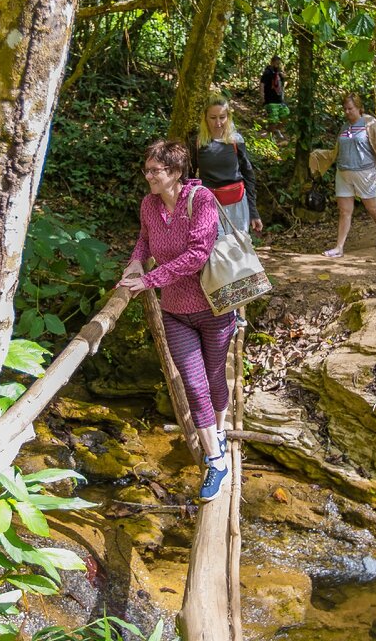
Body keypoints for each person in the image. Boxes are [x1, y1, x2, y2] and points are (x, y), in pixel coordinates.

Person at [120, 140, 236, 502]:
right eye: (147, 169)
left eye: (155, 170)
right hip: (175, 313)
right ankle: (216, 461)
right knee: (193, 384)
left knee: (216, 379)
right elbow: (144, 240)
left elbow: (198, 255)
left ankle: (219, 430)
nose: (148, 176)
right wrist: (137, 261)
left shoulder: (200, 200)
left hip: (215, 308)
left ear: (174, 172)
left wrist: (150, 280)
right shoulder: (149, 205)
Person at [323, 93, 376, 258]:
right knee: (344, 211)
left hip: (364, 172)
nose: (347, 112)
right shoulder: (344, 127)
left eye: (350, 109)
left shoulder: (369, 123)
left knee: (371, 207)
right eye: (345, 109)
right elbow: (338, 149)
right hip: (343, 173)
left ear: (359, 108)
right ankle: (339, 247)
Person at [191, 97, 263, 234]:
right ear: (205, 118)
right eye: (213, 117)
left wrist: (254, 213)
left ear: (228, 117)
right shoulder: (197, 142)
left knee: (238, 248)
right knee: (215, 249)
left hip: (237, 204)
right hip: (209, 205)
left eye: (222, 117)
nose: (218, 123)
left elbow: (248, 175)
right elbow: (190, 176)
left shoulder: (236, 140)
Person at [260, 56, 287, 121]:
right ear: (272, 62)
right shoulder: (267, 72)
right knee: (273, 119)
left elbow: (282, 86)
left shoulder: (278, 73)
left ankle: (277, 130)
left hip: (279, 100)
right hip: (270, 100)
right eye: (276, 63)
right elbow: (262, 84)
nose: (278, 65)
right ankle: (272, 130)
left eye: (279, 64)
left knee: (286, 113)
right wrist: (262, 96)